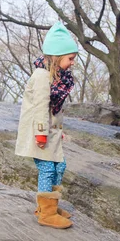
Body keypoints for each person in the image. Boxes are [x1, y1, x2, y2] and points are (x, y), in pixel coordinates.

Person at [15, 21, 78, 229]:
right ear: (58, 56)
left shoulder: (58, 78)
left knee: (60, 165)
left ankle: (49, 205)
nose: (73, 63)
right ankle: (46, 213)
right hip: (38, 132)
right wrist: (41, 134)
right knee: (47, 169)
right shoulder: (42, 76)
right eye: (70, 58)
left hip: (50, 132)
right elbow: (41, 107)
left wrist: (58, 131)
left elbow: (55, 109)